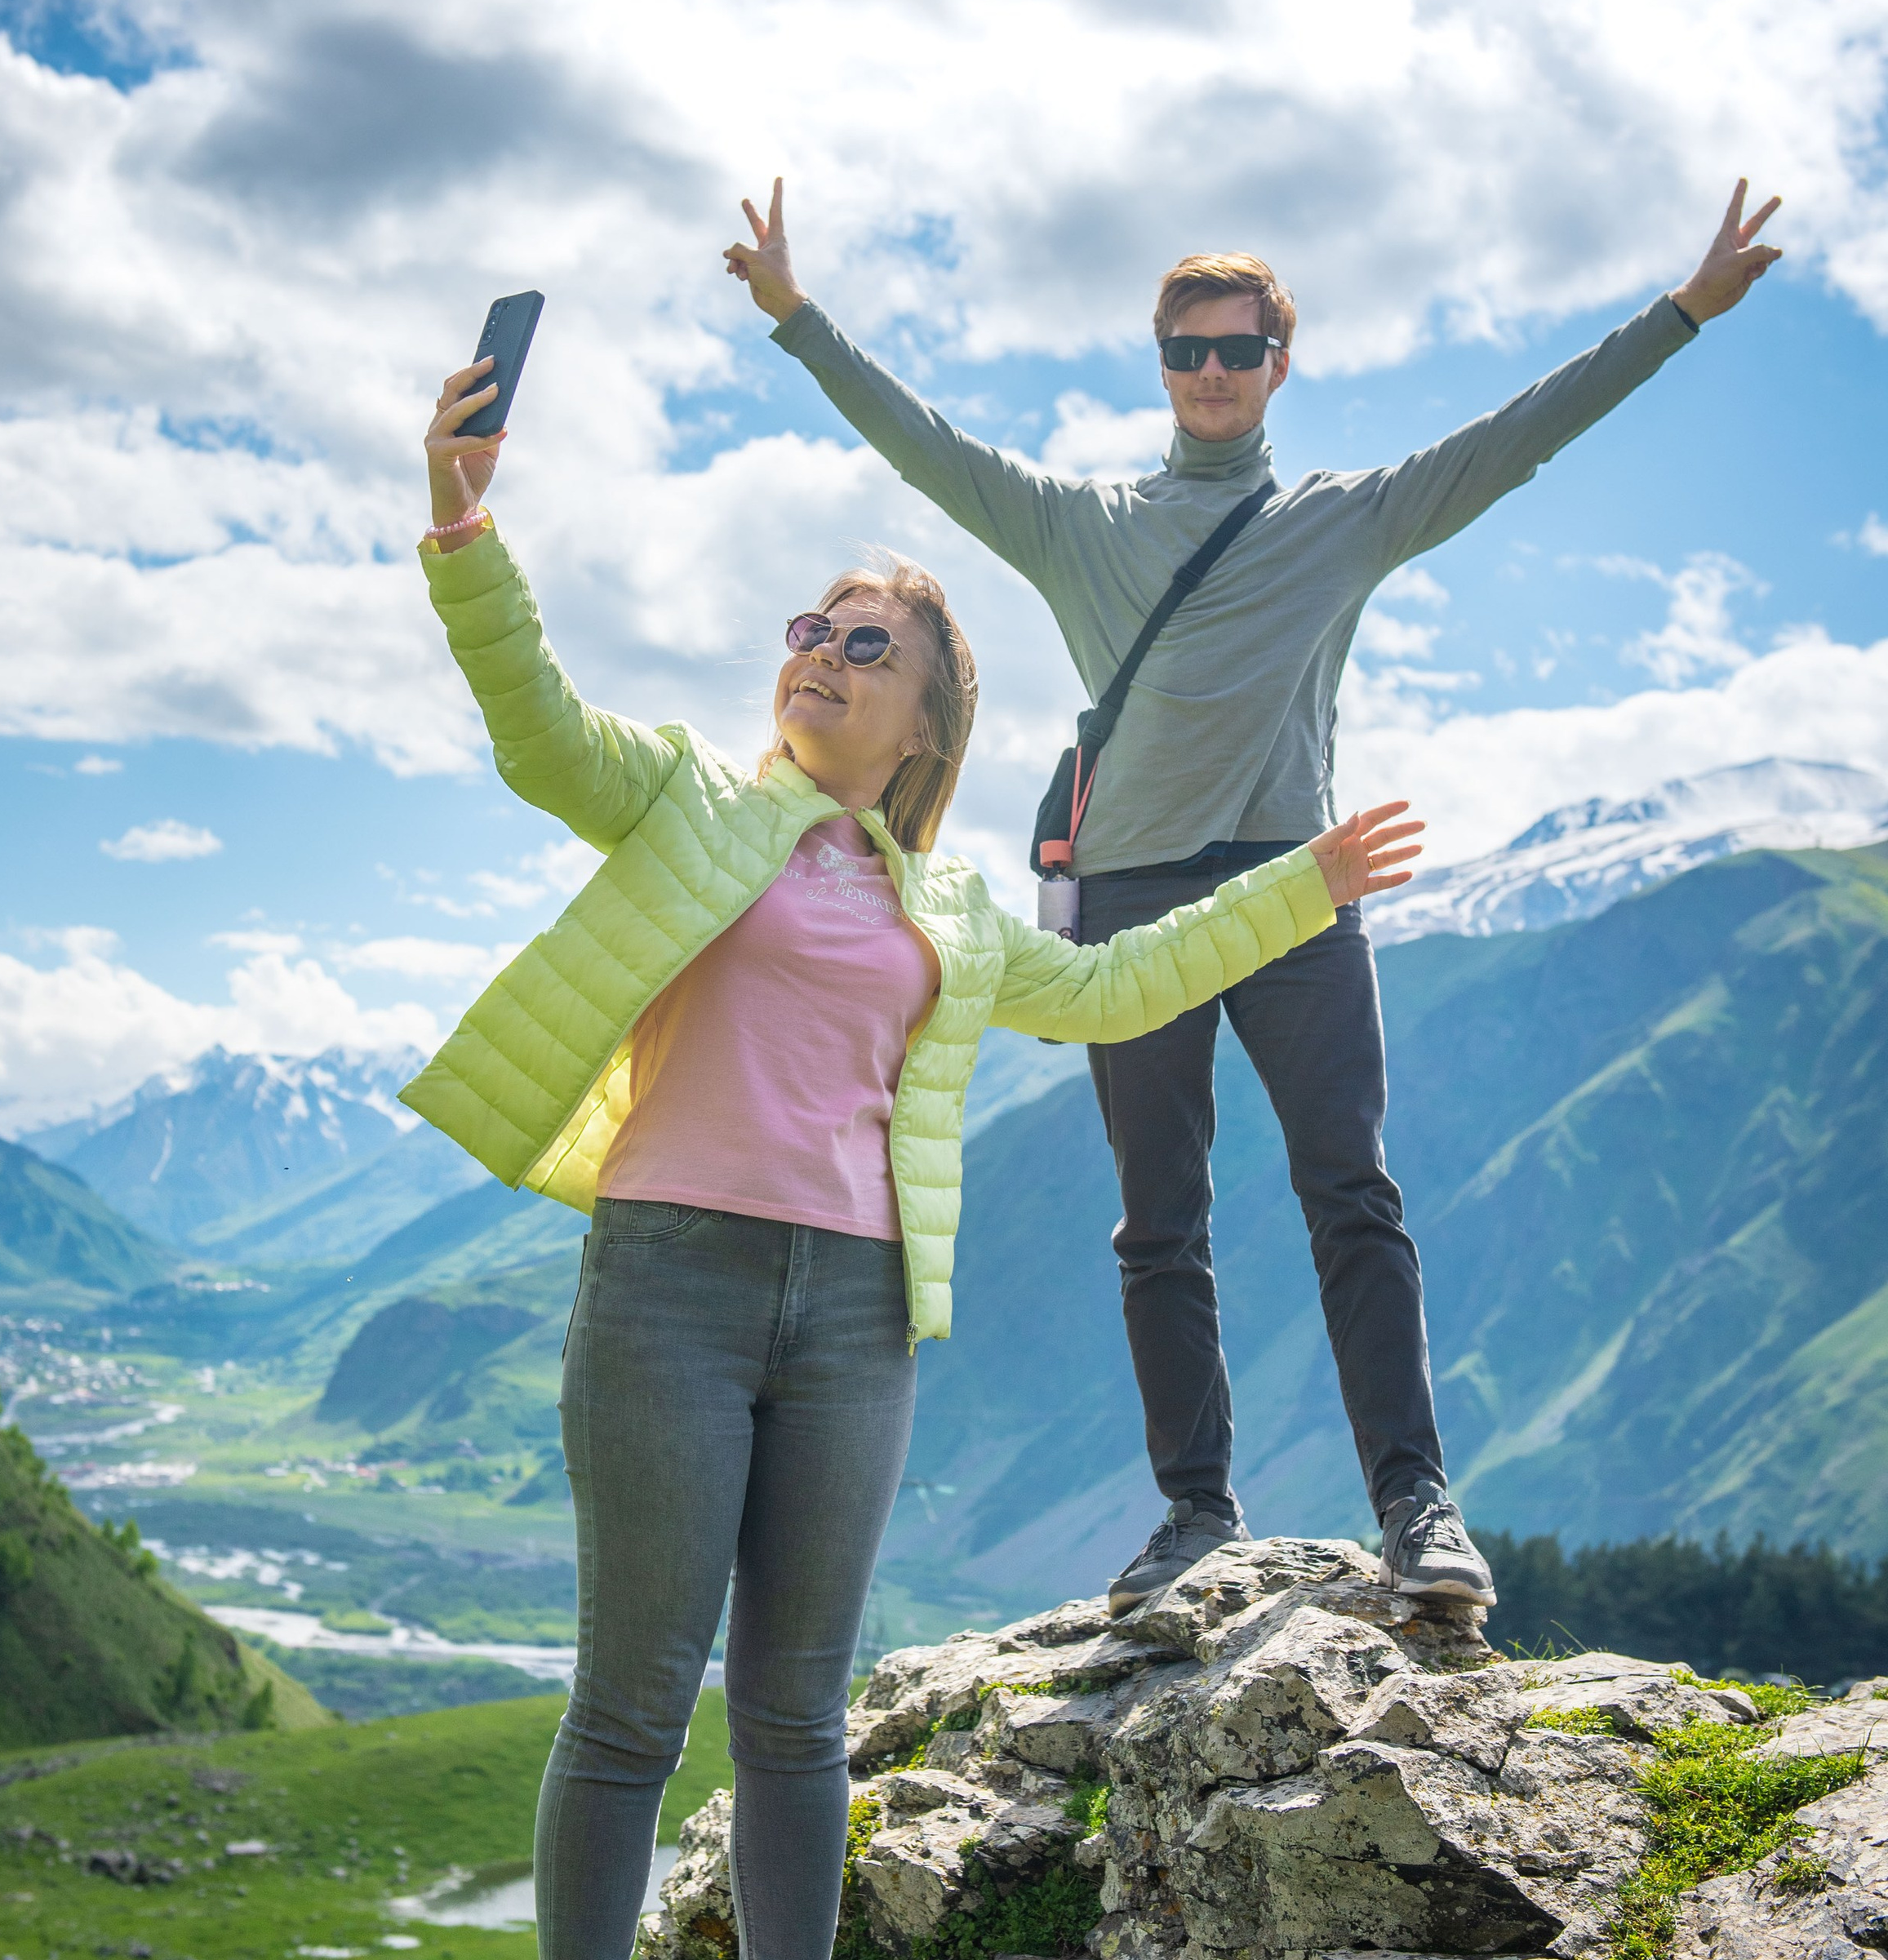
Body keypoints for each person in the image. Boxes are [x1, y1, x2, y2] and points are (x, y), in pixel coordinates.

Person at [402, 345, 1423, 1960]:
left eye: (867, 641)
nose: (821, 649)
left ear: (929, 714)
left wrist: (1302, 885)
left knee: (794, 1712)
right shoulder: (687, 802)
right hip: (668, 1290)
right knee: (631, 1705)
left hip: (857, 1316)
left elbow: (1118, 984)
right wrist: (466, 526)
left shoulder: (946, 909)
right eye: (811, 623)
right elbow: (537, 724)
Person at [724, 179, 1784, 1619]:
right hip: (1131, 913)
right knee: (1157, 1223)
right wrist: (796, 319)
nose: (1212, 375)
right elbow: (926, 446)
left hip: (1297, 896)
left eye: (1238, 350)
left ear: (1281, 363)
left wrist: (1681, 316)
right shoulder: (1080, 525)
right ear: (1159, 366)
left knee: (1353, 1193)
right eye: (1188, 352)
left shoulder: (1342, 521)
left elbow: (1513, 443)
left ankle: (1418, 1510)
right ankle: (1193, 1514)